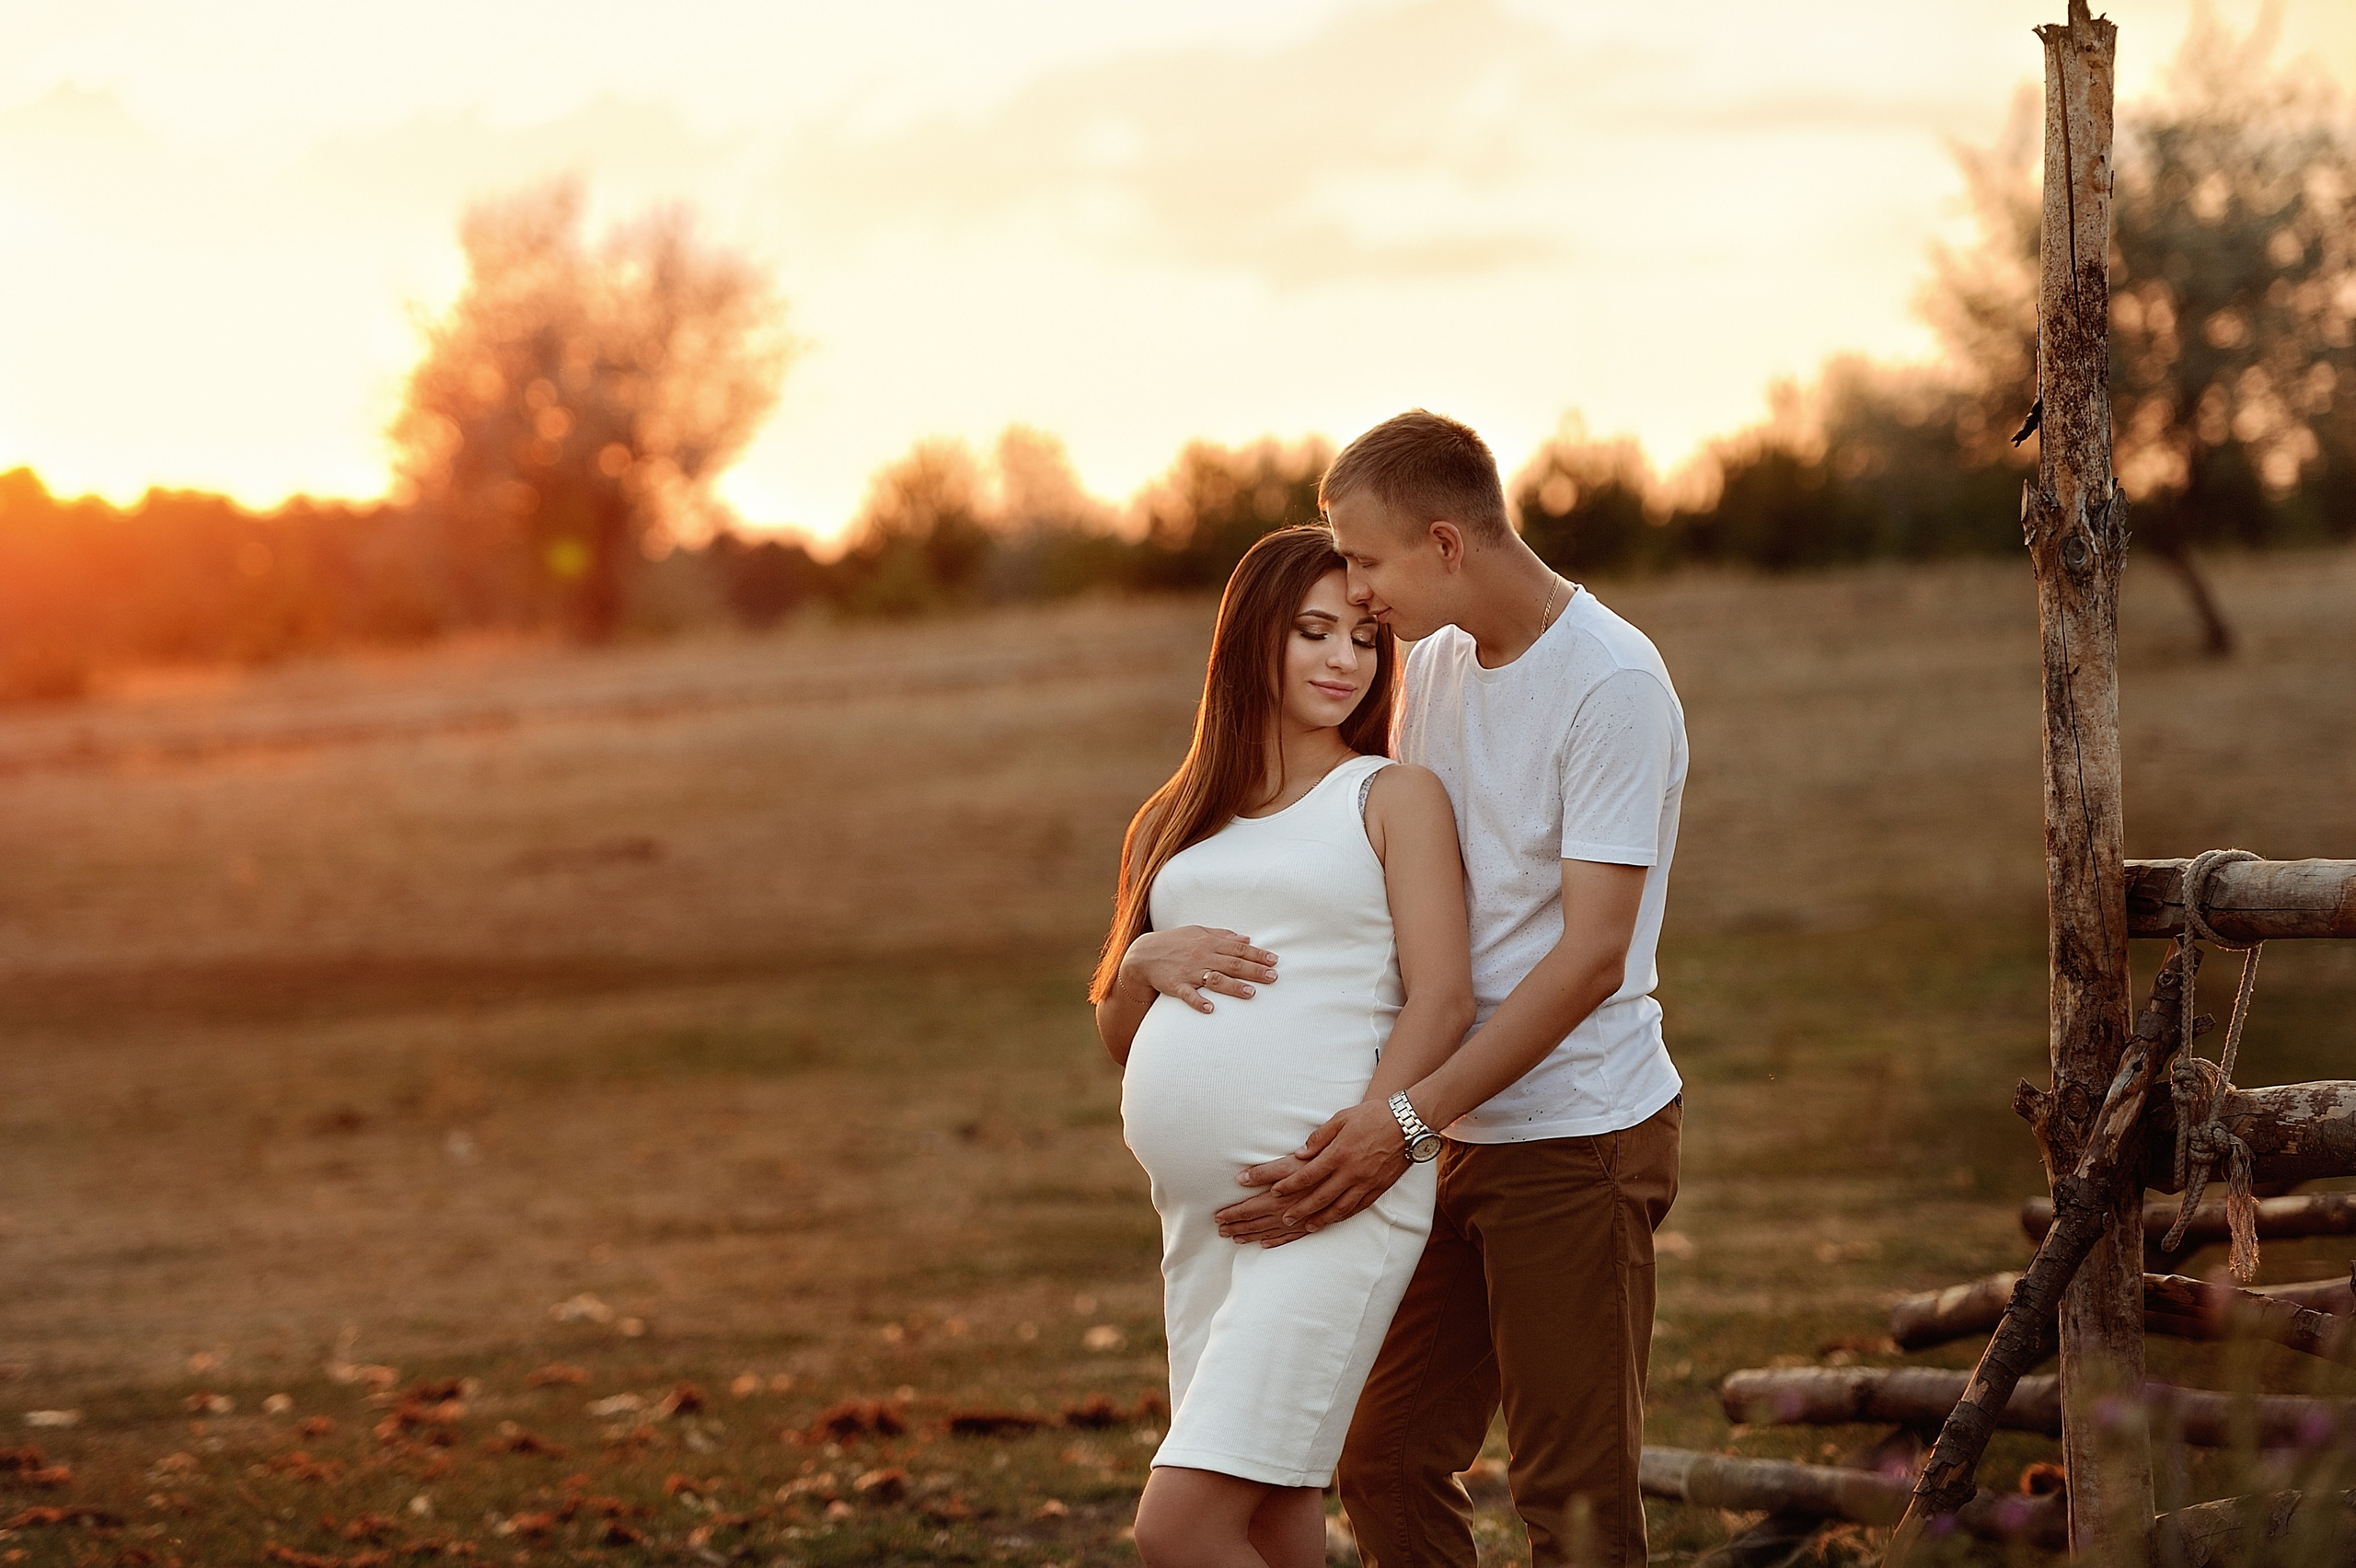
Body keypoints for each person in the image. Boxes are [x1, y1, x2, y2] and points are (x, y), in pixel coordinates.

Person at [1212, 410, 1688, 1568]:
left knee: (1570, 1501)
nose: (1359, 595)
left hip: (1575, 1138)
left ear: (1443, 542)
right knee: (1384, 1460)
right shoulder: (1430, 666)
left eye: (1367, 562)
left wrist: (1405, 1121)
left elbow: (1589, 958)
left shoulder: (1611, 682)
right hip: (1446, 1132)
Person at [1092, 525, 1476, 1568]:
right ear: (1250, 638)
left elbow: (1443, 1001)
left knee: (1179, 1527)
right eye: (1313, 631)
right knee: (1271, 1516)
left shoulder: (1391, 796)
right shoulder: (1171, 822)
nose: (1343, 660)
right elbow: (1123, 1042)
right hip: (1203, 1225)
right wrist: (1138, 968)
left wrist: (1370, 1142)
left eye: (1362, 637)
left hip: (1332, 1199)